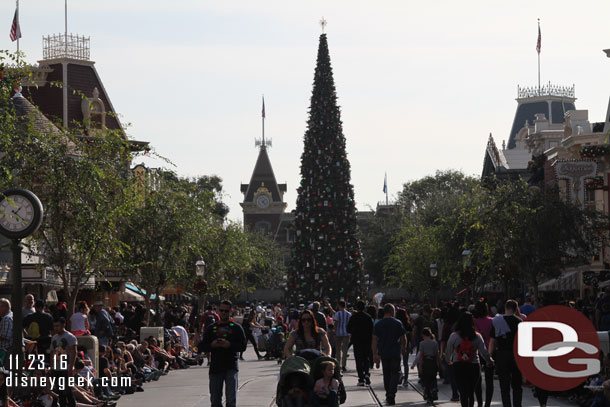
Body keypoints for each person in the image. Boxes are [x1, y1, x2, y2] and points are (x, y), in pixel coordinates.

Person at [201, 300, 247, 407]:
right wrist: (212, 345)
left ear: (230, 311)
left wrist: (229, 345)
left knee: (231, 400)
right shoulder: (211, 328)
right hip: (216, 367)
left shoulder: (236, 328)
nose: (223, 313)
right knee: (215, 400)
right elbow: (203, 346)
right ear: (217, 310)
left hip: (231, 366)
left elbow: (243, 346)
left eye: (226, 311)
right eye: (221, 310)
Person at [445, 311, 493, 407]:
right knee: (471, 391)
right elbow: (483, 351)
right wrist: (489, 361)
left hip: (458, 365)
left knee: (463, 392)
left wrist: (448, 360)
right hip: (473, 366)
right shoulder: (477, 336)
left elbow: (448, 351)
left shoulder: (454, 336)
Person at [489, 299, 522, 407]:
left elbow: (492, 341)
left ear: (505, 308)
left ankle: (506, 405)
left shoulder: (497, 320)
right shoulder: (519, 322)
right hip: (516, 355)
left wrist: (489, 356)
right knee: (517, 384)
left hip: (502, 355)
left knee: (504, 384)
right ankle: (517, 404)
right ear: (515, 308)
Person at [372, 303, 407, 406]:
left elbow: (374, 340)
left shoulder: (378, 324)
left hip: (384, 353)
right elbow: (403, 337)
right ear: (392, 312)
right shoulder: (397, 323)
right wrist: (403, 348)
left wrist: (375, 354)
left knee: (386, 374)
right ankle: (392, 393)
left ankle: (388, 393)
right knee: (395, 373)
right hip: (395, 352)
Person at [50, 317, 77, 407]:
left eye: (57, 326)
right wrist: (52, 367)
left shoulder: (70, 337)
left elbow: (74, 352)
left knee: (67, 390)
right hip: (57, 367)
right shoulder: (54, 338)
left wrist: (71, 366)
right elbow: (52, 352)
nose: (55, 328)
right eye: (54, 326)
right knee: (60, 391)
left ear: (63, 325)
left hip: (66, 366)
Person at [347, 300, 374, 386]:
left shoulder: (353, 317)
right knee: (366, 358)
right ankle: (366, 373)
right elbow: (372, 330)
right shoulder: (368, 317)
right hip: (367, 341)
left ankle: (361, 378)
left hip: (357, 341)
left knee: (358, 360)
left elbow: (348, 329)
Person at [474, 300, 494, 407]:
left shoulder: (475, 322)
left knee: (478, 379)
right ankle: (488, 403)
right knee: (489, 380)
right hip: (490, 352)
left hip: (478, 352)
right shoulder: (492, 321)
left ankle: (480, 402)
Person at [418, 327, 442, 405]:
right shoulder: (434, 343)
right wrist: (439, 365)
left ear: (423, 335)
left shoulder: (422, 343)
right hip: (433, 362)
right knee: (433, 378)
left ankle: (429, 398)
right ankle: (434, 389)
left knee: (426, 381)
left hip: (425, 363)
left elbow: (421, 356)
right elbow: (437, 355)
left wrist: (420, 367)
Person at [332, 300, 351, 372]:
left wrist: (335, 332)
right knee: (345, 350)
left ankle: (338, 364)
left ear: (339, 306)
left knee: (338, 350)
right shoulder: (349, 314)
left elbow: (336, 323)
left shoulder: (337, 314)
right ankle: (344, 365)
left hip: (338, 333)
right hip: (346, 333)